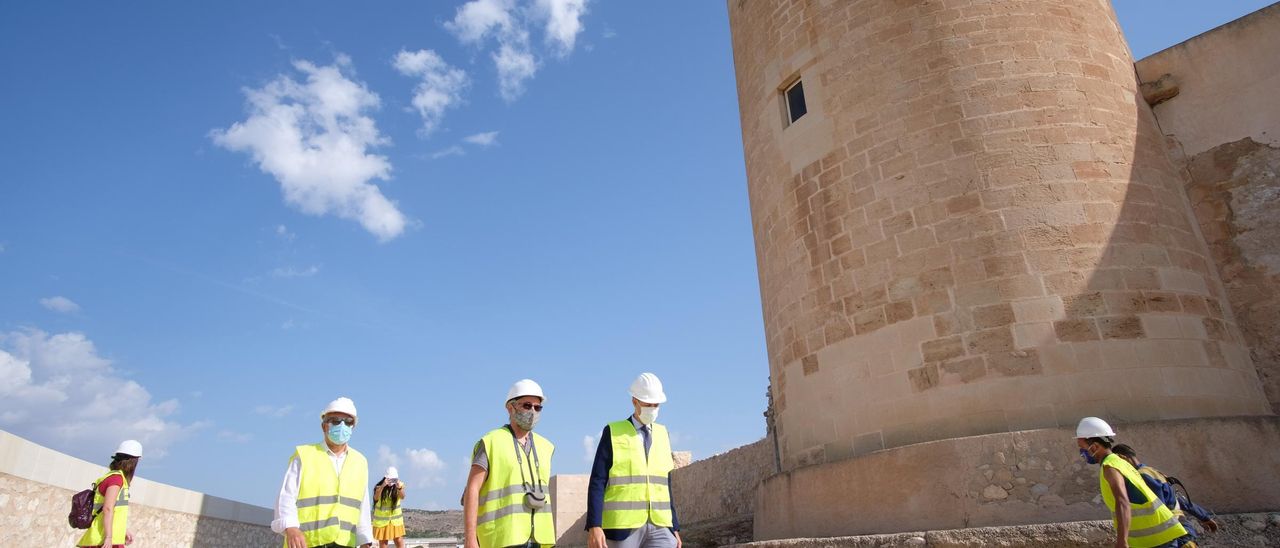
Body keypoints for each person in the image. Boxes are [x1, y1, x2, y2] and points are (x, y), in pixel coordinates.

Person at [586, 373, 682, 548]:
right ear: (634, 401)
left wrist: (674, 527)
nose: (652, 409)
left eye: (656, 404)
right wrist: (595, 525)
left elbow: (665, 485)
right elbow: (598, 481)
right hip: (623, 528)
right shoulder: (614, 432)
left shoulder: (663, 434)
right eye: (647, 404)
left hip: (660, 526)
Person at [462, 379, 555, 548]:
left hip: (539, 539)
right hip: (502, 538)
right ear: (510, 408)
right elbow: (472, 490)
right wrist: (470, 538)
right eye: (527, 406)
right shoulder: (491, 442)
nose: (533, 411)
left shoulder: (546, 447)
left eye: (538, 407)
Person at [1075, 417, 1192, 548]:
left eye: (1082, 447)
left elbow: (1122, 502)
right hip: (1159, 535)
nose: (1081, 452)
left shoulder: (1110, 468)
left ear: (1095, 446)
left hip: (1155, 538)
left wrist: (1121, 541)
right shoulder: (1119, 462)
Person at [273, 397, 374, 548]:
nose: (342, 425)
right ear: (324, 426)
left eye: (347, 421)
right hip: (307, 543)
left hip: (345, 544)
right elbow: (286, 497)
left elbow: (363, 507)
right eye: (335, 420)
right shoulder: (304, 455)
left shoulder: (360, 462)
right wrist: (291, 528)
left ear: (353, 427)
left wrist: (365, 540)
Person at [1112, 444, 1219, 538]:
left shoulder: (1142, 476)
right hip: (1180, 529)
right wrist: (1204, 517)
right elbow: (1179, 499)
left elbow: (1158, 507)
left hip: (1173, 533)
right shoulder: (1151, 471)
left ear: (1124, 458)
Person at [77, 440, 142, 548]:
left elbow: (115, 510)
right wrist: (108, 537)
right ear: (133, 462)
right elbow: (107, 508)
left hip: (109, 538)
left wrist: (122, 530)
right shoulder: (116, 479)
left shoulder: (115, 477)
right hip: (102, 539)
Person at [373, 466, 407, 548]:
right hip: (382, 521)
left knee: (399, 540)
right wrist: (383, 486)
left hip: (395, 521)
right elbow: (376, 498)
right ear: (386, 478)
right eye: (390, 479)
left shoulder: (399, 486)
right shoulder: (379, 487)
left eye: (394, 479)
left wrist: (399, 487)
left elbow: (402, 496)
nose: (392, 481)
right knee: (383, 543)